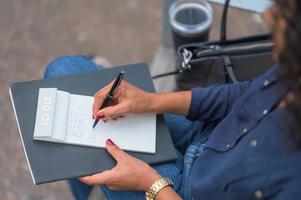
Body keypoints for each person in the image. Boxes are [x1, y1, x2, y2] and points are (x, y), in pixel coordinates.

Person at [44, 0, 301, 199]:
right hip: (209, 134)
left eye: (281, 18)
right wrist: (150, 101)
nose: (267, 16)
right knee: (63, 72)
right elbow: (242, 93)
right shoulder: (294, 69)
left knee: (74, 137)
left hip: (181, 192)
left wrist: (149, 183)